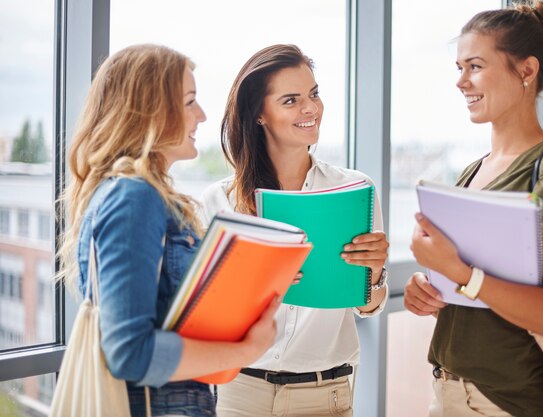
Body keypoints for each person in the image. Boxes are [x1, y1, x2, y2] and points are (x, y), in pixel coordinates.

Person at [58, 44, 280, 417]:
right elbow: (130, 352)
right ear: (149, 110)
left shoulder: (132, 193)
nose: (202, 115)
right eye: (190, 101)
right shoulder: (134, 196)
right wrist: (246, 351)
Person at [404, 2, 543, 417]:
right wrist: (429, 286)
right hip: (447, 391)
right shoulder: (472, 172)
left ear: (526, 71)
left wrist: (461, 274)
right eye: (459, 67)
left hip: (502, 403)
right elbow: (471, 287)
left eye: (474, 66)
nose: (460, 81)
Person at [201, 44, 389, 417]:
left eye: (314, 94)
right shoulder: (219, 201)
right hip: (239, 392)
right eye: (291, 100)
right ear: (259, 114)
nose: (311, 109)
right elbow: (208, 314)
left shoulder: (354, 191)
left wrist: (374, 273)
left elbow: (366, 307)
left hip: (324, 393)